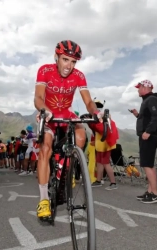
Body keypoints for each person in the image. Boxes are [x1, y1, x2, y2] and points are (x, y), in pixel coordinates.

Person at [34, 40, 101, 220]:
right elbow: (39, 97)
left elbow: (88, 101)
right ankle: (43, 200)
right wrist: (44, 110)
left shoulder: (79, 75)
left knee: (81, 136)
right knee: (45, 149)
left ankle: (68, 171)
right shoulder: (45, 70)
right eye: (65, 60)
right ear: (56, 57)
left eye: (73, 61)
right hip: (49, 114)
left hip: (67, 114)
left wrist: (95, 111)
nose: (68, 66)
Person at [130, 80, 157, 204]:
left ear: (145, 88)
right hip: (147, 135)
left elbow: (156, 117)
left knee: (147, 164)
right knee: (148, 164)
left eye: (139, 87)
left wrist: (148, 131)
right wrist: (137, 115)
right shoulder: (147, 100)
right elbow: (147, 118)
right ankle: (150, 191)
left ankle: (155, 194)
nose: (138, 90)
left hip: (149, 136)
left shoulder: (151, 99)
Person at [88, 100, 119, 190]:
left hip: (106, 143)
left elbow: (101, 129)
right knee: (99, 162)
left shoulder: (102, 116)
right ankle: (98, 180)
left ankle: (113, 183)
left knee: (105, 163)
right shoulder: (98, 116)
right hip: (101, 142)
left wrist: (94, 122)